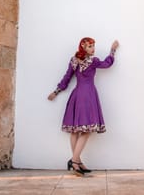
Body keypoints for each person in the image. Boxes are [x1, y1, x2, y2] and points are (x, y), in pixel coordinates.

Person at [48, 37, 119, 176]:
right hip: (87, 96)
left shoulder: (75, 60)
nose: (93, 49)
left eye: (93, 46)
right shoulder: (92, 61)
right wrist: (113, 50)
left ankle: (77, 162)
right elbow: (107, 64)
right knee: (86, 130)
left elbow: (67, 78)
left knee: (76, 130)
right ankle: (75, 161)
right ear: (83, 48)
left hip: (78, 94)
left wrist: (57, 91)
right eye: (90, 46)